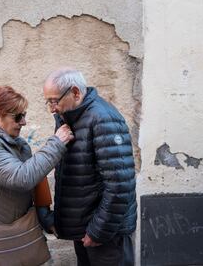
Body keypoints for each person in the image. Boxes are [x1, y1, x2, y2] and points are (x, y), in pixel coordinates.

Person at [0, 85, 74, 265]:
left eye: (24, 115)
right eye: (18, 117)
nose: (24, 122)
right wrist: (56, 143)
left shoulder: (11, 142)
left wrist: (45, 218)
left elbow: (35, 181)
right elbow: (22, 178)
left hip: (11, 242)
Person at [43, 68, 137, 266]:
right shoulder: (69, 118)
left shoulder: (103, 118)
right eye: (48, 102)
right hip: (87, 231)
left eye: (54, 100)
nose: (52, 108)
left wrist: (98, 232)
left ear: (75, 92)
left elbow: (120, 185)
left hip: (107, 236)